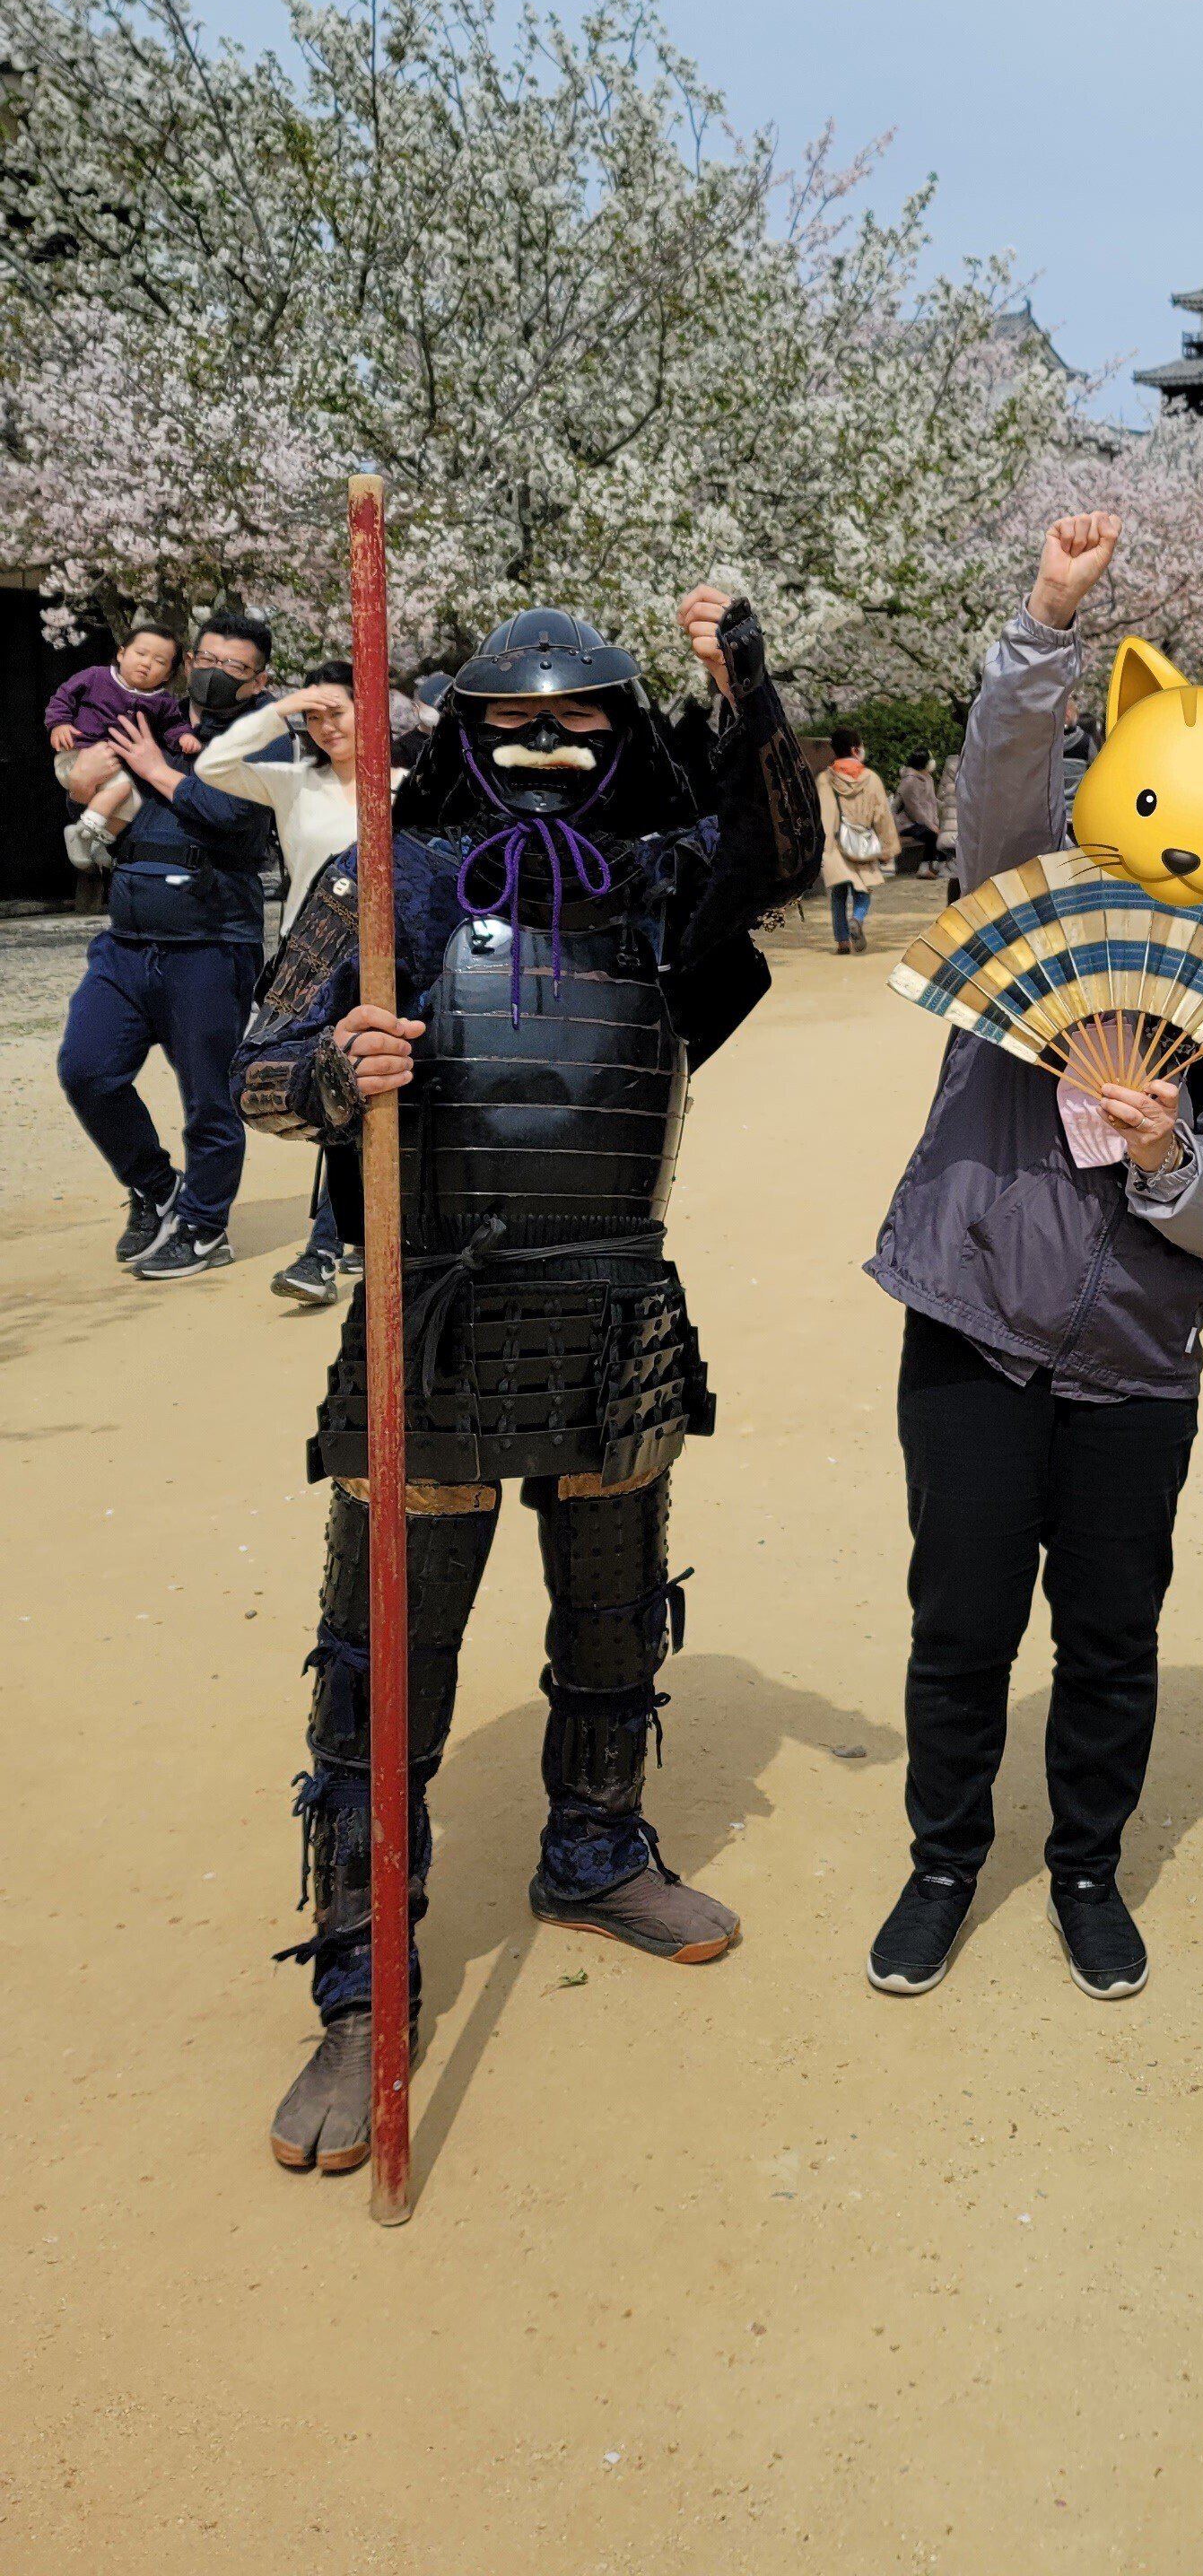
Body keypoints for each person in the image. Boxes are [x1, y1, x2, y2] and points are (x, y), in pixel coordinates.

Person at [230, 587, 819, 2177]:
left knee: (614, 1612)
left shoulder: (657, 883)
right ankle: (365, 1987)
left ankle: (598, 1846)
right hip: (435, 1311)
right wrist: (337, 1072)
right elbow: (259, 1071)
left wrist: (743, 677)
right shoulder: (388, 881)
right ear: (465, 733)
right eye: (515, 722)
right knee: (386, 1668)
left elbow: (783, 854)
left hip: (616, 1297)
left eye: (580, 722)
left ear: (620, 734)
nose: (550, 746)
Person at [859, 513, 1203, 2006]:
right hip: (973, 1315)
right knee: (962, 1616)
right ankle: (941, 1864)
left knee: (1113, 1631)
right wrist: (1051, 618)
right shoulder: (1026, 883)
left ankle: (1088, 1870)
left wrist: (1170, 1151)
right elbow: (995, 764)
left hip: (1135, 1356)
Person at [56, 609, 278, 1278]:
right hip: (126, 944)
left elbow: (236, 821)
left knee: (208, 1099)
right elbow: (96, 804)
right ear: (188, 662)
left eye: (233, 666)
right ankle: (158, 1188)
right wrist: (78, 784)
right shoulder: (147, 714)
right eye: (205, 659)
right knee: (87, 1070)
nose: (213, 672)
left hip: (210, 943)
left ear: (257, 679)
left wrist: (155, 768)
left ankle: (207, 1230)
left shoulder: (264, 738)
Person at [189, 666, 401, 1306]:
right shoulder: (293, 785)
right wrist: (278, 712)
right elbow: (213, 767)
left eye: (338, 710)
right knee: (323, 1093)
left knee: (357, 1094)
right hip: (309, 965)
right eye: (315, 717)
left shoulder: (403, 787)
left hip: (387, 961)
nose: (327, 725)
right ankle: (350, 1237)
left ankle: (322, 1250)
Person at [48, 621, 188, 862]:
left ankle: (100, 842)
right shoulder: (96, 677)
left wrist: (184, 738)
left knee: (132, 802)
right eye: (140, 653)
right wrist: (59, 724)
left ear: (168, 675)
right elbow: (63, 697)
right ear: (121, 653)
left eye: (160, 662)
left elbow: (173, 726)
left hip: (113, 767)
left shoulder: (163, 702)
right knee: (122, 788)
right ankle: (81, 832)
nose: (146, 663)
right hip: (78, 753)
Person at [817, 729, 899, 952]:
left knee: (838, 895)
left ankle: (842, 941)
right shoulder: (871, 779)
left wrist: (824, 850)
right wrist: (887, 849)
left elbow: (824, 817)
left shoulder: (825, 779)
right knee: (863, 891)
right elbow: (882, 816)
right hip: (863, 842)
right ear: (855, 749)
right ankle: (858, 919)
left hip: (836, 845)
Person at [893, 750, 943, 875]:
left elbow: (931, 801)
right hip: (906, 823)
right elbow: (913, 809)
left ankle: (939, 866)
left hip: (923, 821)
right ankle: (924, 868)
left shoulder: (928, 778)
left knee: (943, 832)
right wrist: (930, 825)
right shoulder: (910, 781)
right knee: (931, 834)